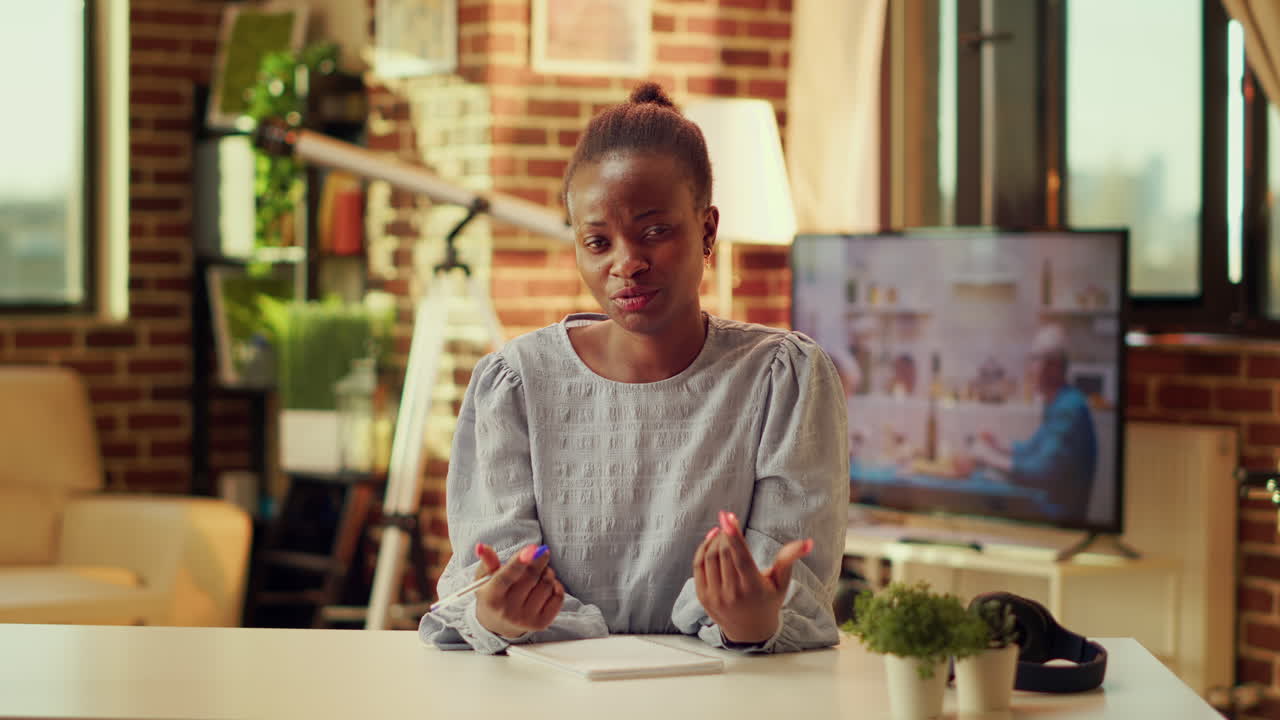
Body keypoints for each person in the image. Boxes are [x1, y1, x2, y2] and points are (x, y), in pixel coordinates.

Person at [419, 83, 849, 655]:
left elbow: (790, 592)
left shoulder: (782, 379)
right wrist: (498, 615)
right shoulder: (516, 384)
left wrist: (752, 618)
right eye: (597, 242)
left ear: (708, 230)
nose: (627, 264)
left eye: (654, 232)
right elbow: (486, 583)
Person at [955, 324, 1097, 521]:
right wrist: (999, 446)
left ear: (1054, 367)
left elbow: (1041, 472)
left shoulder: (1068, 409)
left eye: (1034, 360)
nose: (1030, 369)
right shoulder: (1059, 402)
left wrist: (987, 458)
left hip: (1055, 516)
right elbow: (1034, 448)